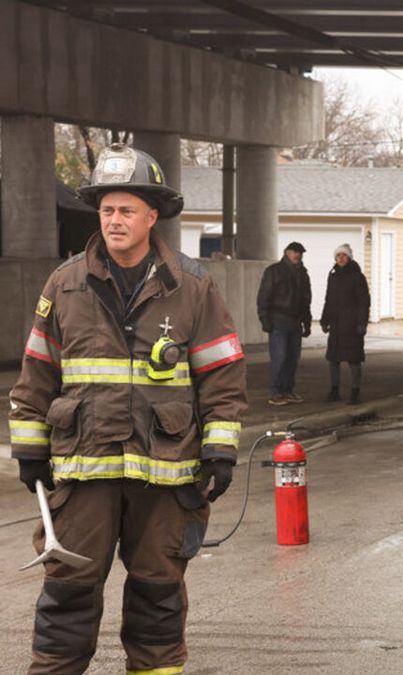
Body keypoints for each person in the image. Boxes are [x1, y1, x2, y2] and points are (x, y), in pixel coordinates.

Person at [9, 144, 247, 674]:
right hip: (83, 473)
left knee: (157, 600)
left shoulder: (193, 287)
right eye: (107, 210)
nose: (114, 221)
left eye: (126, 211)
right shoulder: (64, 284)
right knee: (66, 597)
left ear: (151, 216)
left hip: (164, 477)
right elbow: (37, 373)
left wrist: (220, 449)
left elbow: (222, 376)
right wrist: (29, 450)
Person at [257, 241, 312, 405]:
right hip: (278, 321)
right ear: (286, 252)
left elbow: (306, 300)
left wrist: (307, 322)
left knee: (292, 359)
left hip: (295, 322)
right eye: (294, 251)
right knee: (279, 358)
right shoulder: (274, 271)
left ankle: (287, 390)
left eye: (300, 252)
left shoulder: (303, 273)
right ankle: (275, 392)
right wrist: (265, 319)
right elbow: (263, 297)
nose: (297, 255)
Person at [320, 243, 370, 404]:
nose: (341, 258)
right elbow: (329, 299)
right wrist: (325, 319)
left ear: (349, 257)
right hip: (335, 324)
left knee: (353, 359)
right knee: (333, 359)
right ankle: (334, 390)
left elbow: (364, 302)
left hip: (352, 324)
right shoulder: (333, 275)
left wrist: (362, 323)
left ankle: (355, 391)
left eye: (344, 255)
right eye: (338, 256)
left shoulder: (357, 276)